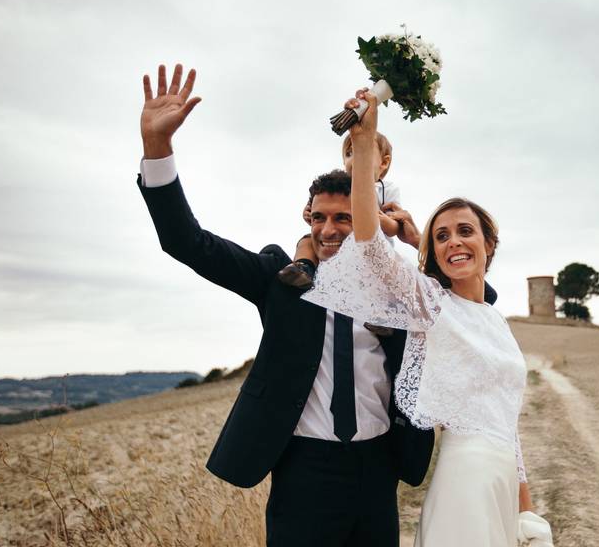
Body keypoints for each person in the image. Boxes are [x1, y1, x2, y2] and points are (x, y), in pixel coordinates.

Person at [135, 64, 497, 547]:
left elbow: (478, 302)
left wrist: (417, 245)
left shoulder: (396, 288)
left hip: (378, 467)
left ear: (366, 219)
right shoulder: (280, 278)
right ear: (307, 218)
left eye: (345, 219)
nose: (329, 230)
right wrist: (158, 151)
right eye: (320, 217)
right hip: (303, 471)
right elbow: (188, 242)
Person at [302, 88, 549, 546]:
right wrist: (364, 142)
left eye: (465, 231)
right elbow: (372, 244)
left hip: (501, 487)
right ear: (430, 251)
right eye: (441, 236)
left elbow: (507, 429)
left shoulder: (497, 323)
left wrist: (528, 512)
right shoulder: (431, 305)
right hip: (465, 484)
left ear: (488, 244)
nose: (454, 241)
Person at [279, 132, 402, 289]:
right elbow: (319, 212)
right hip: (346, 248)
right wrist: (309, 213)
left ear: (383, 163)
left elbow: (394, 228)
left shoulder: (386, 190)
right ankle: (303, 267)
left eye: (363, 152)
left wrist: (369, 215)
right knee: (307, 240)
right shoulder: (342, 189)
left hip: (373, 252)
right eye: (350, 154)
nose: (355, 159)